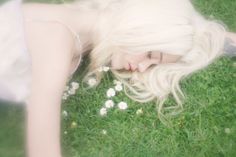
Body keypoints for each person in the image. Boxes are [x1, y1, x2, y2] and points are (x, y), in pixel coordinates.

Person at [0, 0, 235, 156]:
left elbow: (185, 25)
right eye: (151, 55)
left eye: (152, 63)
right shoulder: (56, 40)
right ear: (140, 28)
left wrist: (218, 38)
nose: (143, 67)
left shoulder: (89, 19)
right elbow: (42, 149)